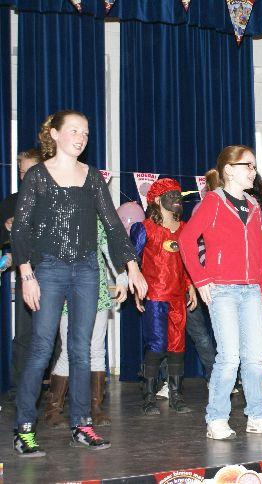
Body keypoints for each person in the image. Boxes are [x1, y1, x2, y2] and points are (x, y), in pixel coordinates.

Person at [11, 110, 146, 457]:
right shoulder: (38, 176)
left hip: (86, 270)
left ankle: (82, 424)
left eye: (85, 133)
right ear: (55, 134)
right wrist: (27, 274)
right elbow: (21, 230)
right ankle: (24, 428)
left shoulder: (92, 178)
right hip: (48, 269)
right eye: (74, 131)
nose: (81, 137)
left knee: (81, 349)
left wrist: (132, 267)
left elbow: (113, 226)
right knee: (42, 348)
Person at [179, 145, 262, 439]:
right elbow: (187, 240)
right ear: (229, 170)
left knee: (255, 357)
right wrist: (201, 280)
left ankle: (257, 415)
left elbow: (261, 251)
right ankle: (216, 418)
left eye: (254, 166)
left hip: (252, 290)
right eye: (247, 165)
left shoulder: (254, 205)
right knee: (229, 357)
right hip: (222, 289)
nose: (253, 171)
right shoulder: (213, 201)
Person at [44, 218, 128, 427]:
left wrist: (122, 278)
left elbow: (111, 250)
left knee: (97, 350)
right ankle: (53, 408)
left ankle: (95, 407)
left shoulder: (98, 221)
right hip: (69, 294)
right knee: (68, 351)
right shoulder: (60, 217)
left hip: (97, 294)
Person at [131, 178, 197, 415]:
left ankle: (176, 395)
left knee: (178, 345)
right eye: (172, 195)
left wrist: (191, 286)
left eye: (179, 195)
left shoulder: (185, 228)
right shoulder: (145, 228)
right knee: (157, 344)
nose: (177, 200)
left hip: (178, 296)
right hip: (155, 296)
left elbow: (188, 262)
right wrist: (137, 290)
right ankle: (148, 396)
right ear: (158, 200)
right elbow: (133, 263)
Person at [0, 148, 40, 395]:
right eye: (21, 172)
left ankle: (57, 390)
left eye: (29, 171)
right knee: (25, 334)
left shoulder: (53, 199)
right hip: (26, 275)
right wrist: (7, 229)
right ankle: (21, 388)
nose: (24, 176)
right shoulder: (11, 202)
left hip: (54, 273)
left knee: (57, 333)